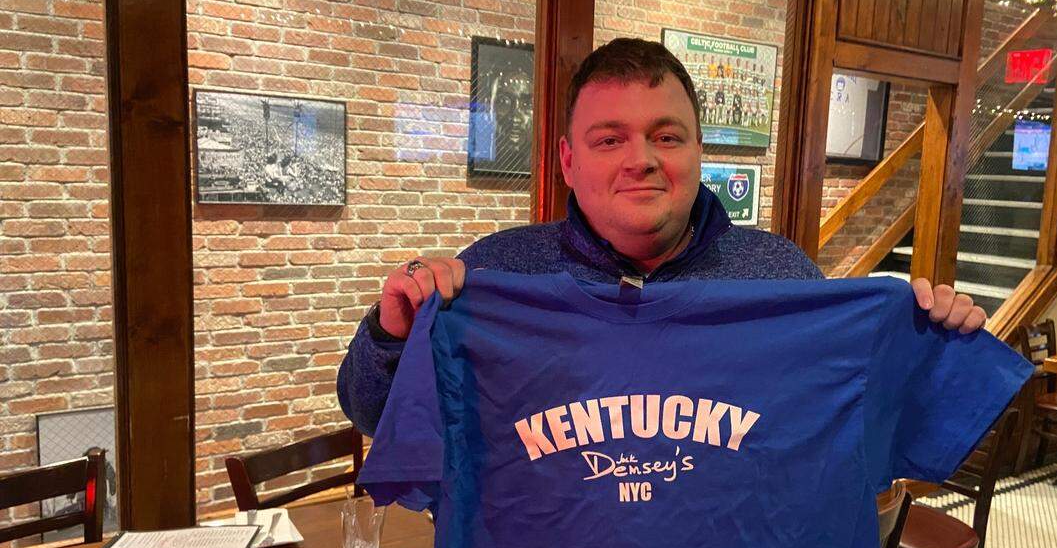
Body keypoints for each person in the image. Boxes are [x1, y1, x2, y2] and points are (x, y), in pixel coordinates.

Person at [337, 38, 985, 438]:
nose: (641, 158)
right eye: (609, 138)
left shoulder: (780, 278)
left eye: (666, 136)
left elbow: (874, 425)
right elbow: (376, 416)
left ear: (699, 150)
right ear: (567, 161)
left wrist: (934, 348)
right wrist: (393, 330)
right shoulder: (498, 275)